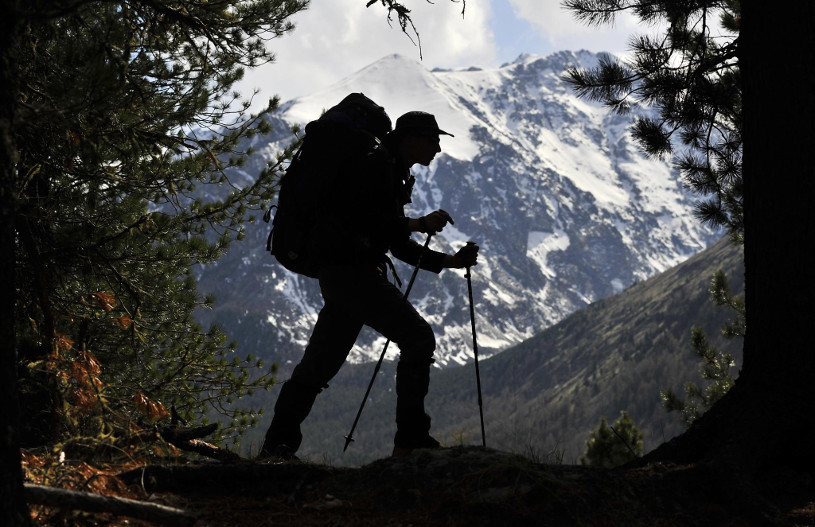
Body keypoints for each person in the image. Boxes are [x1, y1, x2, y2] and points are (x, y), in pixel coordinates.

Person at [260, 111, 479, 459]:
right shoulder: (377, 165)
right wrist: (417, 223)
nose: (438, 148)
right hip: (354, 274)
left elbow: (391, 238)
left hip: (343, 275)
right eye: (433, 140)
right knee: (418, 338)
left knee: (317, 367)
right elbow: (371, 223)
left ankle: (277, 446)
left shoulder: (388, 167)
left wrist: (449, 261)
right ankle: (411, 440)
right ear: (412, 138)